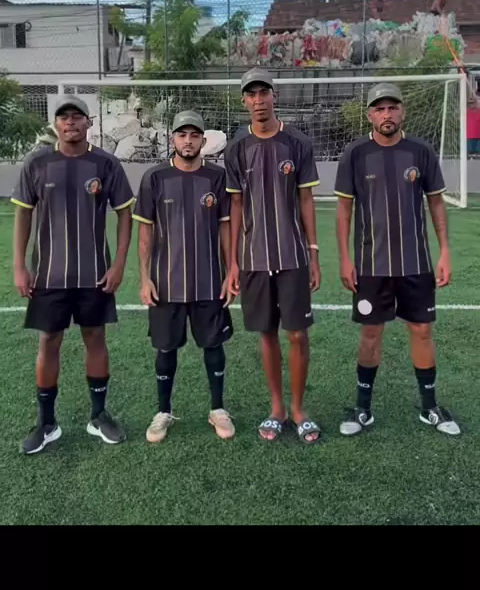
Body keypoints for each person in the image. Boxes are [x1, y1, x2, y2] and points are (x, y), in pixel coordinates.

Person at [334, 82, 460, 437]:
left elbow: (436, 202)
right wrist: (344, 258)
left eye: (392, 107)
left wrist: (445, 251)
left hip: (415, 263)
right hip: (371, 265)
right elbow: (344, 210)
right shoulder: (355, 153)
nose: (386, 114)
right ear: (370, 115)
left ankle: (430, 407)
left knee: (421, 330)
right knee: (371, 333)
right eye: (379, 108)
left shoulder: (420, 151)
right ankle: (362, 409)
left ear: (402, 111)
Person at [11, 96, 135, 455]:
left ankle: (98, 415)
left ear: (88, 122)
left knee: (95, 337)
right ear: (56, 124)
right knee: (49, 341)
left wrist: (118, 264)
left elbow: (125, 214)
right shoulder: (37, 162)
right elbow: (23, 214)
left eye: (77, 116)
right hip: (48, 276)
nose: (70, 122)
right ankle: (47, 423)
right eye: (63, 117)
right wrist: (19, 266)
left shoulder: (106, 164)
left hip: (94, 274)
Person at [225, 68, 322, 444]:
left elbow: (306, 199)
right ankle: (277, 408)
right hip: (254, 259)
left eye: (263, 92)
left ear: (274, 96)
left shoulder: (297, 142)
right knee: (266, 334)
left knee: (296, 333)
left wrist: (313, 253)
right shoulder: (236, 148)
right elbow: (235, 206)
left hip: (293, 256)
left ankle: (299, 410)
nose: (258, 100)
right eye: (251, 94)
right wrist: (233, 262)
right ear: (244, 101)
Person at [133, 110, 235, 443]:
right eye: (182, 134)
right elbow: (145, 233)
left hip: (209, 281)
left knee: (213, 345)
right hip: (165, 283)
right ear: (172, 139)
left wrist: (230, 271)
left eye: (194, 135)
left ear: (203, 141)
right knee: (166, 349)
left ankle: (218, 409)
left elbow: (225, 229)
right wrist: (144, 278)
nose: (188, 141)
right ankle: (163, 412)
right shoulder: (154, 177)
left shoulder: (217, 177)